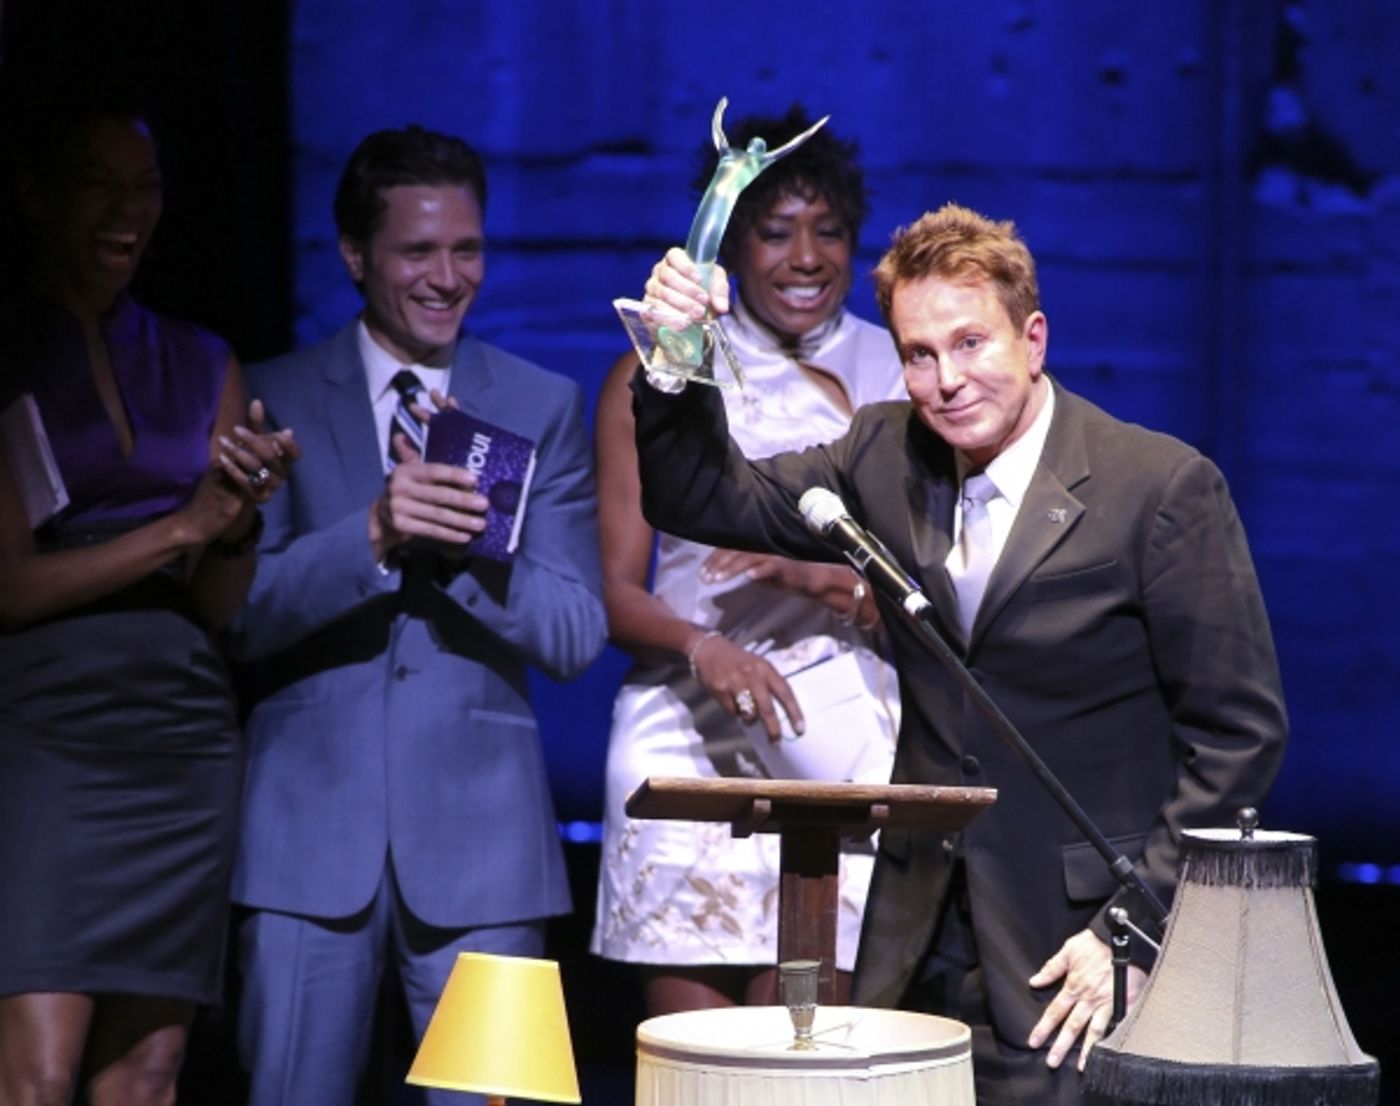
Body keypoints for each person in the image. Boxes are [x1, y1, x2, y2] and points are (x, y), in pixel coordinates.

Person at [630, 202, 1287, 1104]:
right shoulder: (880, 455)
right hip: (918, 938)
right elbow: (701, 495)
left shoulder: (1158, 488)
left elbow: (1239, 737)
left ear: (1035, 337)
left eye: (972, 344)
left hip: (1081, 954)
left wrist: (1128, 933)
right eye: (918, 355)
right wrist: (674, 358)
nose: (945, 379)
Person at [226, 124, 607, 1106]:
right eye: (417, 251)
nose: (448, 276)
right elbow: (235, 615)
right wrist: (373, 532)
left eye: (467, 248)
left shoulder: (538, 403)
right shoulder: (268, 394)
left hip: (489, 855)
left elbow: (573, 631)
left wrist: (469, 551)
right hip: (304, 845)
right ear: (355, 255)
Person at [0, 103, 295, 1105]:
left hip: (181, 732)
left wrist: (240, 520)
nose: (130, 211)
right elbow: (8, 587)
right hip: (44, 732)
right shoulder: (9, 350)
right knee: (35, 1072)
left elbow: (215, 606)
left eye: (147, 187)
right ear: (39, 194)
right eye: (102, 184)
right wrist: (181, 527)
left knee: (151, 1071)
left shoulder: (204, 359)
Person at [590, 106, 904, 1015]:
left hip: (837, 724)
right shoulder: (660, 372)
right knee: (695, 1055)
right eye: (775, 232)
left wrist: (822, 580)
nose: (805, 256)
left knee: (800, 1041)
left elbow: (943, 597)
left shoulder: (897, 374)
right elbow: (614, 590)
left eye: (829, 231)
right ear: (730, 242)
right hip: (689, 718)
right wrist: (704, 649)